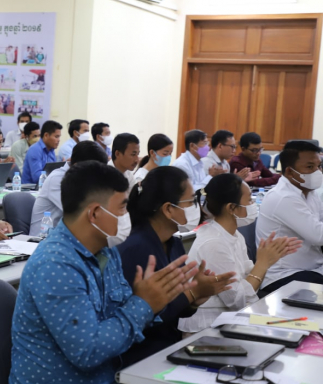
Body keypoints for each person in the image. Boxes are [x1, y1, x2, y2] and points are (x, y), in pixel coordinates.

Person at [9, 161, 199, 384]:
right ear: (95, 214)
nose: (127, 216)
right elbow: (88, 352)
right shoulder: (56, 265)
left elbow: (124, 315)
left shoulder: (106, 252)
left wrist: (160, 301)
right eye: (122, 208)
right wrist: (144, 304)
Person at [118, 167, 238, 367]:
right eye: (190, 202)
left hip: (168, 345)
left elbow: (174, 310)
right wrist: (191, 293)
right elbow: (145, 316)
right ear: (168, 209)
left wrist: (195, 300)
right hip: (141, 355)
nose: (196, 208)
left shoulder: (173, 243)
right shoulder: (136, 248)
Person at [178, 173, 301, 333]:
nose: (253, 204)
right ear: (231, 208)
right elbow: (236, 300)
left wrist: (267, 260)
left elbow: (249, 284)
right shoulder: (214, 243)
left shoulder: (234, 235)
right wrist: (262, 264)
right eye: (249, 200)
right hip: (207, 328)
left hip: (229, 319)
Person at [256, 140, 323, 295]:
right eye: (310, 167)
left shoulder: (310, 192)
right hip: (284, 276)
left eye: (319, 166)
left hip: (312, 268)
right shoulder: (284, 197)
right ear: (290, 172)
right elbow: (319, 236)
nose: (317, 172)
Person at [29, 141, 107, 236]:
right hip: (43, 238)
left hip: (66, 236)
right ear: (78, 165)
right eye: (94, 170)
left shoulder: (81, 178)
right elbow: (80, 214)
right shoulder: (57, 179)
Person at [22, 120, 62, 184]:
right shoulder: (35, 149)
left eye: (59, 137)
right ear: (46, 135)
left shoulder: (51, 150)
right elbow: (37, 178)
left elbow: (54, 171)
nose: (58, 140)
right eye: (56, 137)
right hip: (30, 188)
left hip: (45, 186)